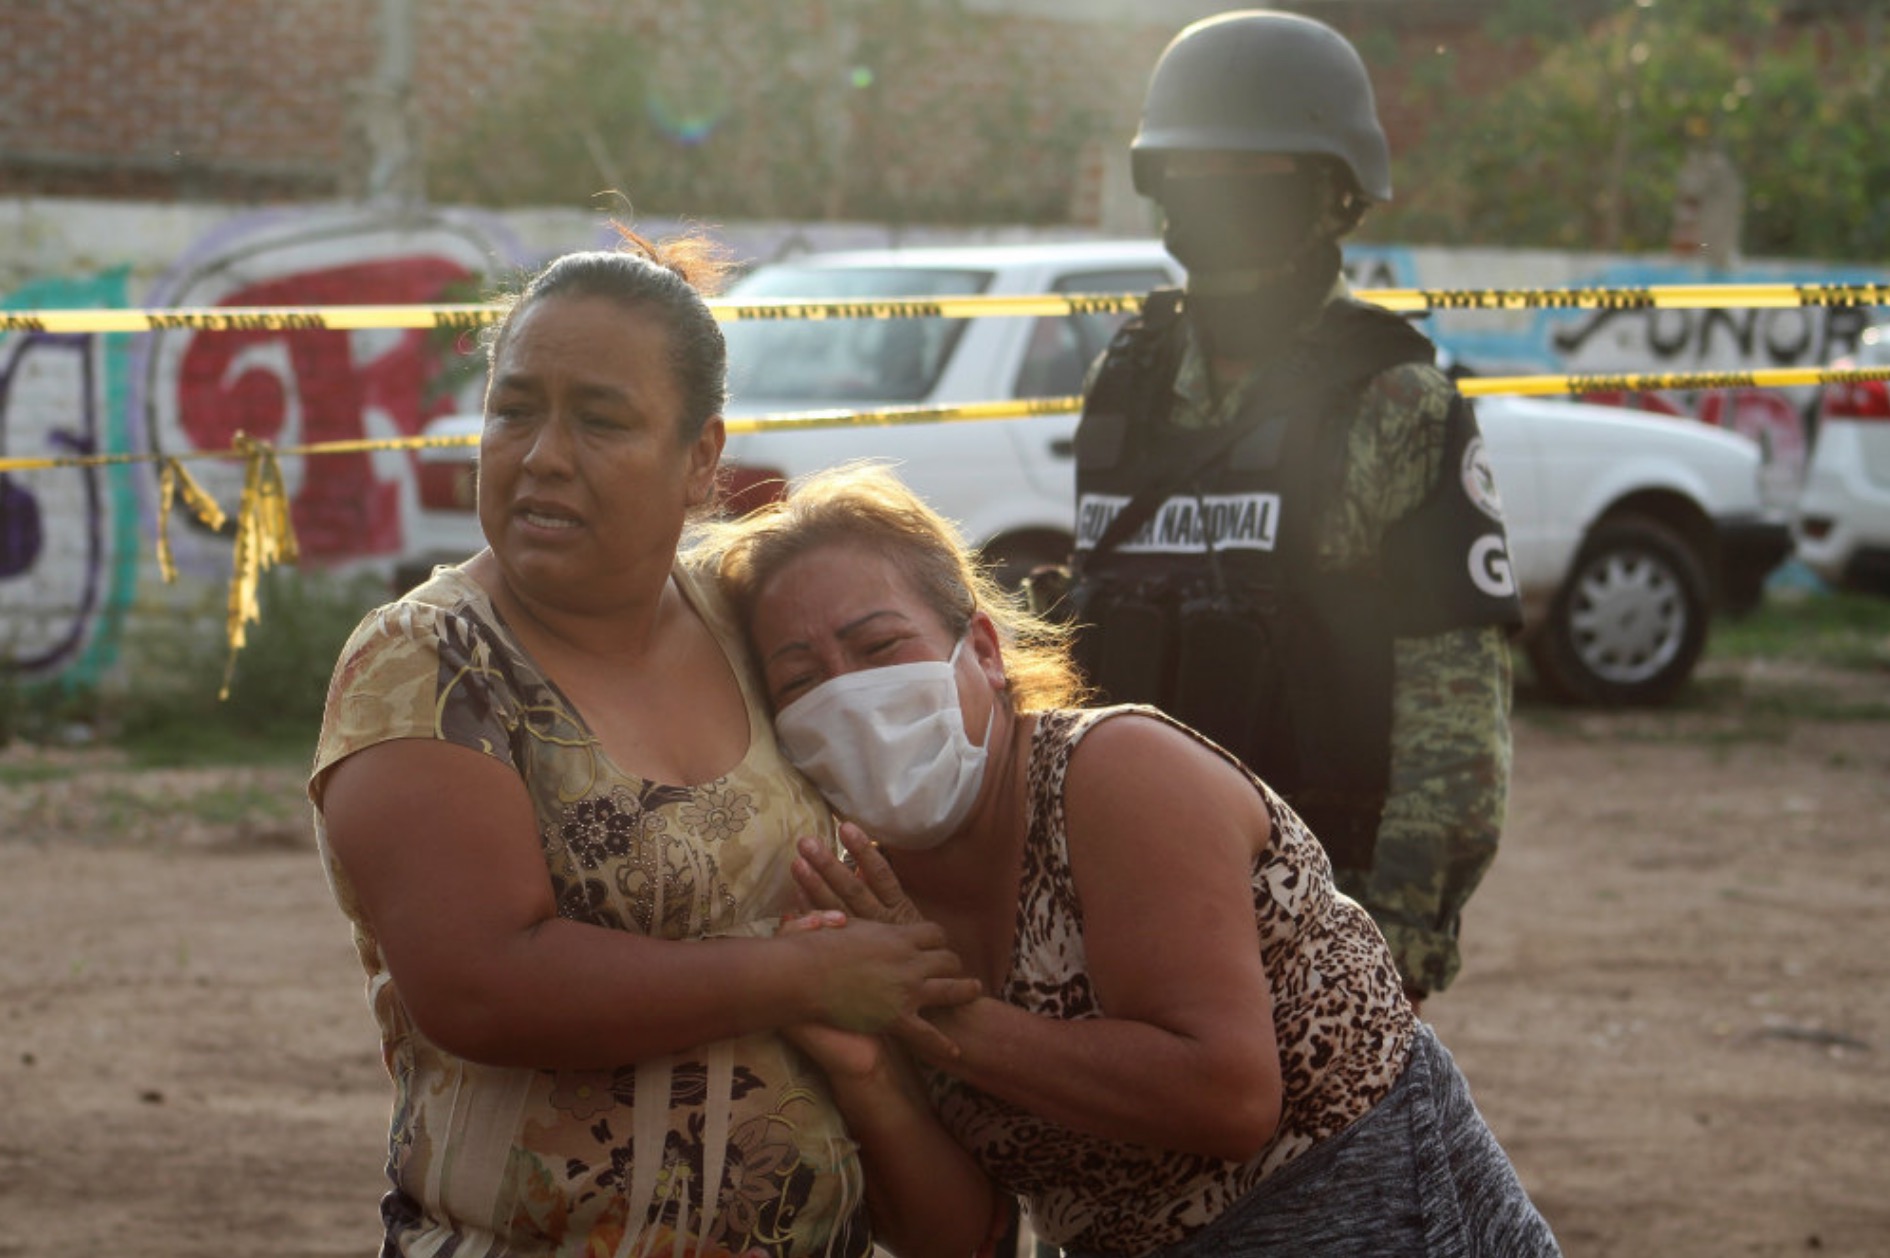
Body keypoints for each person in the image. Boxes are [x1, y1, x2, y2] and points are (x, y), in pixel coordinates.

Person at [307, 228, 979, 1257]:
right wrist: (803, 978)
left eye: (601, 419)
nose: (543, 455)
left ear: (700, 457)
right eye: (514, 409)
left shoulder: (752, 622)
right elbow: (482, 985)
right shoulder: (427, 664)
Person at [704, 463, 1559, 1257]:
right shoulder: (865, 900)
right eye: (801, 678)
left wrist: (936, 1018)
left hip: (1387, 1220)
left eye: (880, 647)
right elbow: (973, 1238)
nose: (849, 693)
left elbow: (1226, 1097)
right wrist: (869, 1068)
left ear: (986, 652)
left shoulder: (1114, 773)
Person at [1052, 9, 1524, 1010]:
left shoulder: (1395, 405)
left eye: (1254, 178)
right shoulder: (1124, 383)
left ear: (1335, 199)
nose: (1217, 202)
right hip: (1117, 923)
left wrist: (1382, 964)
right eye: (1194, 174)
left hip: (1312, 938)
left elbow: (1455, 735)